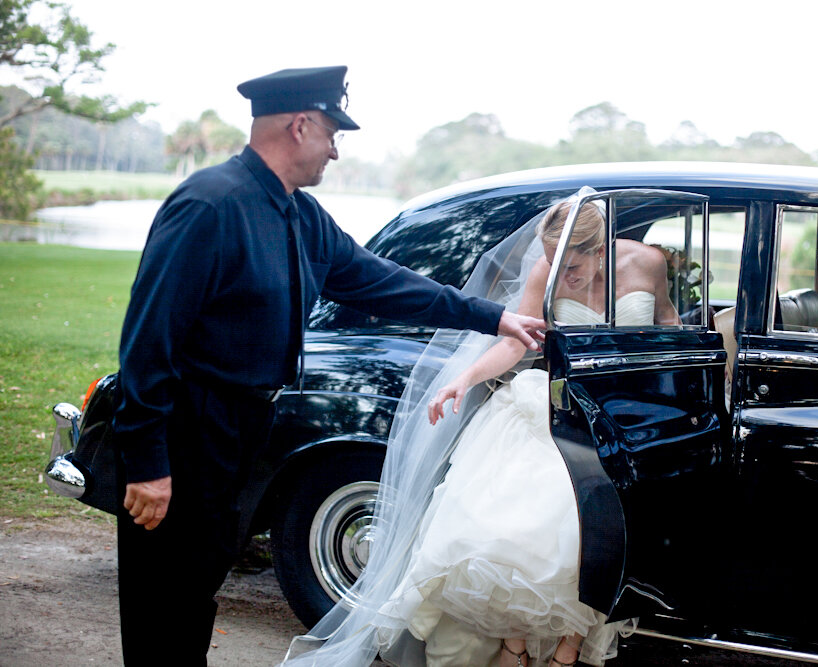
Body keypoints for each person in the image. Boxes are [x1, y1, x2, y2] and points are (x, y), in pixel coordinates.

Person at [111, 66, 545, 667]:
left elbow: (382, 282)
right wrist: (147, 465)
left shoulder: (301, 215)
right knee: (162, 592)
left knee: (196, 587)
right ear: (300, 125)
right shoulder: (210, 205)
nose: (336, 151)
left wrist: (490, 318)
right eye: (332, 134)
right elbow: (147, 343)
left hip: (242, 429)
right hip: (188, 429)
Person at [283, 192, 679, 667]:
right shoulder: (547, 274)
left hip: (625, 416)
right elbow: (517, 343)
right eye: (553, 263)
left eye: (571, 267)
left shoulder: (648, 263)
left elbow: (670, 325)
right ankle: (515, 644)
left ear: (601, 251)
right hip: (556, 408)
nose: (561, 276)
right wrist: (463, 379)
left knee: (603, 539)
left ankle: (569, 648)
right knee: (528, 528)